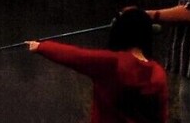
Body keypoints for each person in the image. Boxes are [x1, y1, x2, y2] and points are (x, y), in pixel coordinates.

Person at [27, 8, 169, 123]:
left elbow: (76, 56)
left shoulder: (112, 63)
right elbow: (162, 114)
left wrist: (40, 46)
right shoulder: (158, 72)